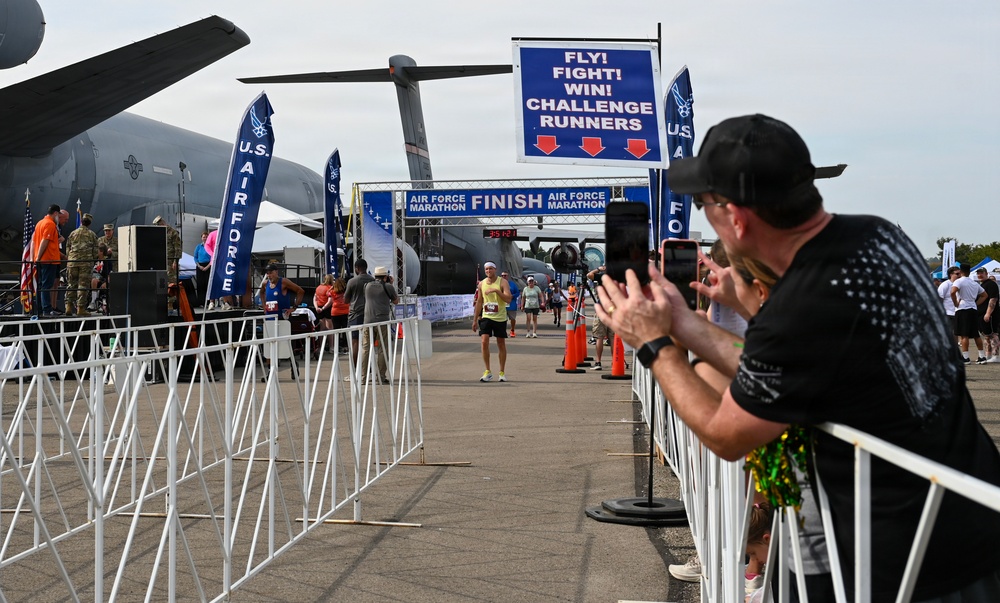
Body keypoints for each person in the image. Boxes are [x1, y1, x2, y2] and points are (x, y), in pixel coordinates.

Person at [596, 113, 1000, 601]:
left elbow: (726, 433)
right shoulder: (877, 236)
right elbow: (780, 369)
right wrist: (682, 322)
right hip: (969, 524)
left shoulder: (803, 304)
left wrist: (653, 345)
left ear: (736, 218)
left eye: (704, 203)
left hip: (897, 569)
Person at [358, 266, 398, 384]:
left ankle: (363, 377)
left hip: (367, 320)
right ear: (385, 277)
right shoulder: (388, 286)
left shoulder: (367, 286)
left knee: (365, 349)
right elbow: (396, 301)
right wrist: (391, 284)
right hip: (382, 321)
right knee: (382, 349)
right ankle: (380, 376)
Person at [472, 261, 511, 382]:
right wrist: (475, 319)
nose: (488, 271)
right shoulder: (482, 284)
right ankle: (487, 371)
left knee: (501, 343)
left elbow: (508, 299)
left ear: (495, 269)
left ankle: (502, 372)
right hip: (486, 316)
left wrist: (497, 291)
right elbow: (479, 302)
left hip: (499, 317)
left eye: (490, 269)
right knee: (484, 341)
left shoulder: (502, 282)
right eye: (486, 269)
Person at [951, 263, 988, 365]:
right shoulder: (974, 283)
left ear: (960, 271)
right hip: (973, 308)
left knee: (964, 335)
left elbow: (952, 292)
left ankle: (966, 357)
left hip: (963, 308)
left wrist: (955, 303)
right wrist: (976, 303)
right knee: (976, 334)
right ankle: (982, 356)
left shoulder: (959, 281)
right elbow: (985, 295)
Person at [31, 204, 64, 316]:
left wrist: (35, 258)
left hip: (41, 260)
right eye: (58, 214)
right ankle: (47, 309)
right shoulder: (50, 224)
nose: (58, 217)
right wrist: (38, 257)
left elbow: (34, 241)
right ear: (55, 213)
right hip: (48, 259)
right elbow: (45, 241)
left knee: (41, 285)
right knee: (46, 285)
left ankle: (40, 309)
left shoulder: (39, 223)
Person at [64, 212, 98, 316]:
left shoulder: (73, 233)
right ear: (89, 223)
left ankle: (68, 307)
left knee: (71, 284)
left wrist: (71, 258)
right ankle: (80, 308)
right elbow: (95, 251)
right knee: (82, 286)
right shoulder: (92, 234)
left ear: (82, 221)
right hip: (86, 264)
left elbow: (68, 247)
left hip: (72, 262)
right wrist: (93, 259)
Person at [344, 259, 375, 368]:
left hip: (355, 315)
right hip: (369, 314)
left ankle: (355, 369)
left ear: (357, 268)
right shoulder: (372, 280)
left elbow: (346, 300)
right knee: (368, 342)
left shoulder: (352, 281)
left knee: (355, 342)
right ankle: (368, 368)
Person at [153, 216, 182, 315]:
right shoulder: (159, 233)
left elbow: (178, 248)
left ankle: (170, 305)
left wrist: (175, 261)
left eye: (159, 225)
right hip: (161, 262)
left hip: (170, 262)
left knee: (171, 283)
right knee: (162, 283)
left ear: (163, 223)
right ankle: (163, 304)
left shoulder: (173, 233)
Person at [586, 265, 613, 370]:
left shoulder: (603, 277)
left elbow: (589, 275)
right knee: (613, 337)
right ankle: (615, 362)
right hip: (614, 309)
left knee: (599, 337)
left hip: (602, 307)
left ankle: (598, 362)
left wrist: (599, 269)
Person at [976, 267, 999, 363]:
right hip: (981, 314)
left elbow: (993, 300)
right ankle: (988, 355)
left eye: (981, 273)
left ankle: (995, 355)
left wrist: (988, 313)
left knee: (993, 334)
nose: (979, 275)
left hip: (990, 314)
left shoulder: (991, 284)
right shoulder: (982, 285)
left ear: (986, 273)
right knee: (986, 335)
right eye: (978, 273)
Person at [938, 266, 961, 345]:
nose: (959, 275)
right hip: (948, 313)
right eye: (957, 274)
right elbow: (939, 299)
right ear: (951, 275)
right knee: (950, 333)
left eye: (960, 273)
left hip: (958, 312)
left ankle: (955, 348)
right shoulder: (945, 285)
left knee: (956, 333)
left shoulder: (961, 284)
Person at [88, 244, 113, 312]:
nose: (96, 252)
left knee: (94, 280)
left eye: (98, 250)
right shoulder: (95, 260)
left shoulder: (107, 261)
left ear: (101, 252)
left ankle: (93, 302)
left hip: (102, 279)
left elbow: (110, 274)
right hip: (92, 277)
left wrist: (106, 282)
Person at [193, 231, 211, 307]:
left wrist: (207, 267)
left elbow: (212, 257)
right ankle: (201, 302)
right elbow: (195, 257)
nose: (205, 238)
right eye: (204, 237)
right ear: (201, 238)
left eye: (206, 237)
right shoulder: (198, 247)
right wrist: (199, 266)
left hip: (208, 266)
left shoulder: (210, 246)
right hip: (200, 266)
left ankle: (208, 302)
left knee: (207, 284)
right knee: (200, 284)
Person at [502, 270, 520, 337]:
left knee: (512, 319)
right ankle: (503, 331)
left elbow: (517, 293)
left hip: (511, 304)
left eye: (505, 275)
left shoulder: (512, 284)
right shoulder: (499, 284)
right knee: (502, 319)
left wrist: (513, 296)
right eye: (502, 276)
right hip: (502, 305)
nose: (504, 277)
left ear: (507, 276)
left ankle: (512, 330)